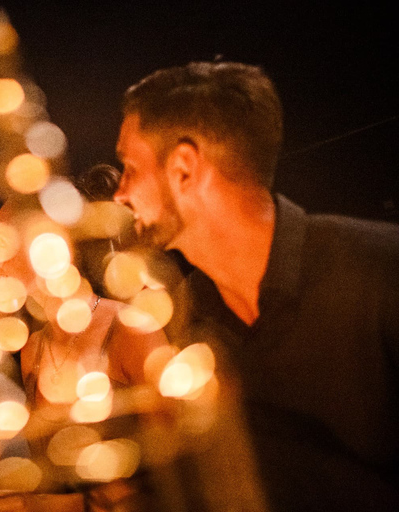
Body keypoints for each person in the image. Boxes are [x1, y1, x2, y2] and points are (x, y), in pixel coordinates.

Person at [113, 61, 399, 511]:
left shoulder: (382, 269)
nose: (120, 193)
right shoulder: (182, 325)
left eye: (129, 167)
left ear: (184, 169)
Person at [0, 187, 169, 512]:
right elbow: (55, 479)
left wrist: (42, 506)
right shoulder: (32, 350)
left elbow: (175, 473)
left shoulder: (130, 328)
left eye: (5, 241)